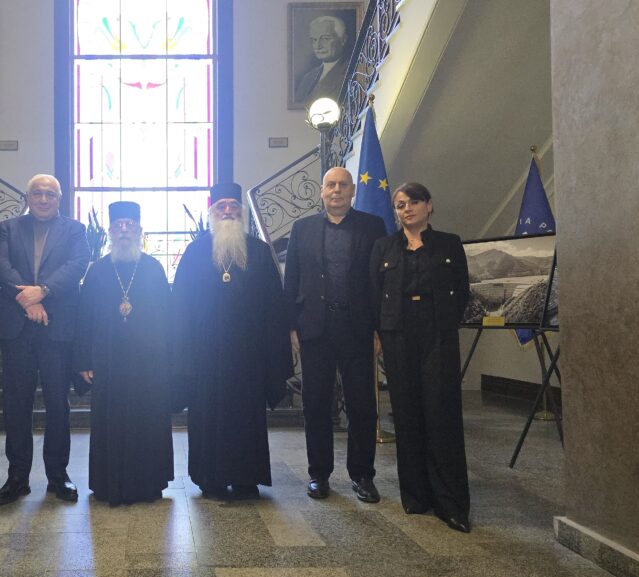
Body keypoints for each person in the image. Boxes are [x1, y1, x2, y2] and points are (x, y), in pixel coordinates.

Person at [171, 182, 292, 500]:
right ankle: (209, 478)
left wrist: (274, 355)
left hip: (248, 357)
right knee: (207, 416)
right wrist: (182, 357)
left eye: (233, 206)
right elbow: (180, 308)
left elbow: (274, 308)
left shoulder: (259, 252)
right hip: (205, 357)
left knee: (246, 417)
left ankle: (245, 477)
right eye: (221, 206)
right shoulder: (195, 252)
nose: (227, 211)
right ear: (212, 212)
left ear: (241, 211)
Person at [370, 182, 472, 533]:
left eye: (414, 202)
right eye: (400, 205)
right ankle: (415, 495)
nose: (407, 209)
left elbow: (462, 291)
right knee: (407, 413)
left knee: (441, 413)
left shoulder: (449, 244)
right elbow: (374, 293)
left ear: (429, 205)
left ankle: (451, 503)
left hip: (437, 334)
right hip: (397, 334)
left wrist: (442, 320)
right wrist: (378, 333)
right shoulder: (384, 247)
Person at [283, 167, 387, 502]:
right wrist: (291, 326)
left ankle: (363, 475)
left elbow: (380, 282)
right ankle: (319, 474)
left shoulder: (373, 226)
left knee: (362, 406)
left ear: (352, 190)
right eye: (331, 185)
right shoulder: (302, 229)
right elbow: (291, 279)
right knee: (315, 404)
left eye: (343, 185)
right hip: (315, 328)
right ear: (322, 191)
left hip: (358, 328)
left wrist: (379, 328)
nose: (337, 190)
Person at [0, 174, 90, 505]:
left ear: (59, 198)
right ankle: (17, 477)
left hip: (57, 330)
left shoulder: (75, 230)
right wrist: (28, 300)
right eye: (37, 193)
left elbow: (77, 265)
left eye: (50, 193)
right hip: (17, 330)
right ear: (28, 197)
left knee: (57, 405)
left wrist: (43, 291)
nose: (44, 198)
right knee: (16, 405)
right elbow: (0, 265)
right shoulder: (8, 227)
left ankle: (58, 476)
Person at [74, 201, 174, 505]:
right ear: (110, 231)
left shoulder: (154, 268)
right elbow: (84, 318)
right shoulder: (97, 271)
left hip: (149, 364)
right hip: (108, 362)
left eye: (130, 225)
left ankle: (149, 483)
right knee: (110, 421)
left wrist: (169, 359)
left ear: (140, 230)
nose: (124, 230)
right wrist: (84, 360)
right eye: (118, 225)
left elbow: (169, 317)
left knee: (148, 419)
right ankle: (108, 484)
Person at [295, 15, 349, 106]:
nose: (318, 46)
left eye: (325, 38)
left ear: (343, 40)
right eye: (314, 40)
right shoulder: (307, 77)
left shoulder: (351, 73)